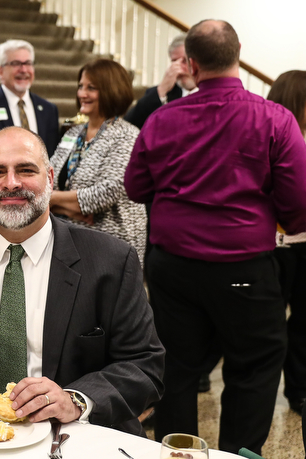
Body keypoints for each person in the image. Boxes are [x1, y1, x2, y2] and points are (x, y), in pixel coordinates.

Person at [0, 126, 164, 436]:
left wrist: (75, 400)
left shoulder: (110, 261)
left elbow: (146, 365)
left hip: (69, 433)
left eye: (25, 170)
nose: (11, 183)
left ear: (50, 177)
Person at [125, 20, 306, 454]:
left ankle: (179, 453)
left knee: (178, 368)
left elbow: (136, 187)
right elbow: (299, 204)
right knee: (256, 365)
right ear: (239, 54)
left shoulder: (161, 118)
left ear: (190, 62)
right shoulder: (275, 119)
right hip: (242, 267)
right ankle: (238, 455)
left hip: (173, 269)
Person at [48, 59, 146, 261]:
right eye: (80, 86)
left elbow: (105, 194)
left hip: (112, 245)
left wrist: (51, 200)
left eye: (91, 88)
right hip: (69, 239)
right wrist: (71, 207)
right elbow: (45, 178)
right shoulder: (72, 133)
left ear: (112, 90)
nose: (82, 94)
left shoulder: (127, 135)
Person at [266, 70, 306, 417]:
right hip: (274, 245)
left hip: (303, 244)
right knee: (270, 325)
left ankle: (298, 390)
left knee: (303, 321)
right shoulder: (275, 135)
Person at [0, 40, 60, 164]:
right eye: (16, 64)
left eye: (28, 63)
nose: (23, 70)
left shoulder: (49, 110)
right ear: (0, 71)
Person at [124, 34, 196, 130]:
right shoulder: (160, 93)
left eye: (184, 61)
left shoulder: (212, 90)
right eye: (174, 61)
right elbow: (129, 124)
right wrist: (162, 89)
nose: (179, 68)